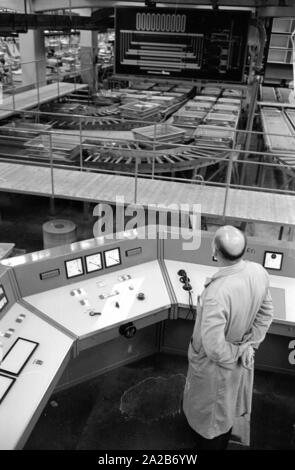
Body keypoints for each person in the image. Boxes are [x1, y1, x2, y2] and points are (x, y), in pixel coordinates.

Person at [183, 225, 274, 450]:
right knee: (227, 408)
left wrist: (239, 351)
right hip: (238, 360)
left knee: (211, 418)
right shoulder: (258, 271)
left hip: (217, 367)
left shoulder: (216, 293)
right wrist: (250, 346)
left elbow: (214, 348)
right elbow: (266, 313)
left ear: (214, 250)